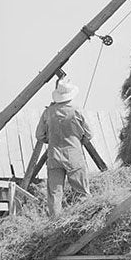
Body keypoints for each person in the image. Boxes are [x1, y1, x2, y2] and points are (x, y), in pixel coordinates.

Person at [34, 80, 93, 218]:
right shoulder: (77, 110)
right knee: (81, 192)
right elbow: (89, 134)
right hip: (74, 155)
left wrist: (51, 140)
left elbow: (39, 135)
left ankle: (55, 223)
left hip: (54, 156)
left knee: (55, 194)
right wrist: (78, 142)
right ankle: (84, 220)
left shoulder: (48, 112)